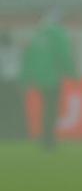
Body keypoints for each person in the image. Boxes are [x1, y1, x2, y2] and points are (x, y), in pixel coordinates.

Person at [20, 10, 76, 150]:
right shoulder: (57, 34)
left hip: (39, 78)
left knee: (46, 109)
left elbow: (29, 58)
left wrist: (27, 78)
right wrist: (73, 74)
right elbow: (63, 55)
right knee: (52, 109)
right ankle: (49, 140)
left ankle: (45, 138)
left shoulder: (38, 35)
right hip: (52, 78)